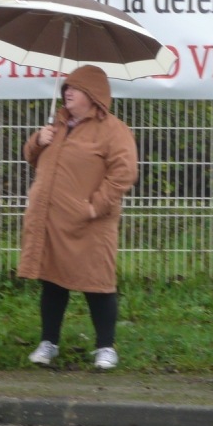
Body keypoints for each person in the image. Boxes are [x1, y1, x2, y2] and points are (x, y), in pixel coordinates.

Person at [19, 65, 138, 370]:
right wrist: (38, 140)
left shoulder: (113, 130)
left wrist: (94, 207)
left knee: (98, 284)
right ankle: (48, 343)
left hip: (90, 224)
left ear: (92, 94)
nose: (67, 92)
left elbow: (124, 173)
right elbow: (31, 157)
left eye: (74, 88)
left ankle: (105, 347)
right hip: (52, 220)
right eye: (66, 88)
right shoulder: (56, 125)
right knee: (52, 281)